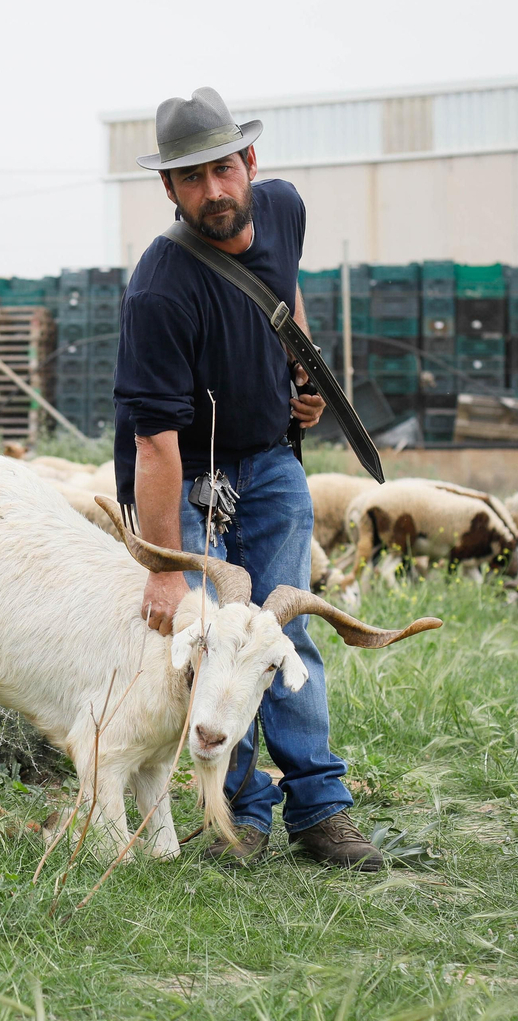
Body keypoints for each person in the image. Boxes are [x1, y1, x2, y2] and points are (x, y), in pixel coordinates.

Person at [113, 86, 385, 870]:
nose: (213, 191)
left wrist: (298, 368)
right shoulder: (160, 288)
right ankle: (233, 808)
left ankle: (320, 807)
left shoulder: (285, 208)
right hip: (187, 475)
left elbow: (285, 289)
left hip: (270, 461)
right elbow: (154, 445)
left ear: (250, 163)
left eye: (223, 169)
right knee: (211, 642)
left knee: (284, 627)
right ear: (169, 189)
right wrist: (166, 569)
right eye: (191, 179)